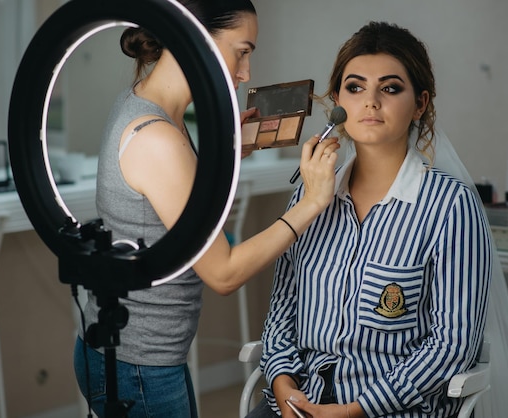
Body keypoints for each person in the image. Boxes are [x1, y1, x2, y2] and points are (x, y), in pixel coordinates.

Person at [251, 21, 508, 418]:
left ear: (420, 103)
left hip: (394, 410)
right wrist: (283, 386)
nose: (370, 102)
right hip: (299, 404)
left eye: (389, 88)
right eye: (354, 87)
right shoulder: (309, 194)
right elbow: (283, 308)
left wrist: (355, 410)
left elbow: (452, 346)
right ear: (337, 101)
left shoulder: (451, 206)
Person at [72, 1, 340, 417]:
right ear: (196, 38)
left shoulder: (148, 108)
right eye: (242, 51)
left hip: (137, 356)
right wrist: (313, 202)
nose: (246, 72)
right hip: (140, 365)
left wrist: (231, 151)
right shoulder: (158, 137)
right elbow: (223, 272)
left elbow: (171, 200)